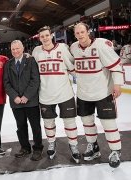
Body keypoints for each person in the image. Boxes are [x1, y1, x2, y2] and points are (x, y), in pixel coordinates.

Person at [70, 22, 124, 168]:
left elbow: (116, 65)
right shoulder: (74, 47)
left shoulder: (101, 45)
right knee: (87, 122)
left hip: (103, 92)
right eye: (77, 33)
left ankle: (115, 151)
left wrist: (117, 84)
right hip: (83, 93)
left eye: (82, 32)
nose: (80, 35)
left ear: (88, 32)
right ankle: (93, 147)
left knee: (108, 123)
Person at [32, 26, 81, 163]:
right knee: (48, 122)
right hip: (45, 95)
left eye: (47, 35)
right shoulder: (36, 52)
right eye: (42, 37)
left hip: (65, 93)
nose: (45, 38)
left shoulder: (62, 48)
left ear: (51, 35)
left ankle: (74, 146)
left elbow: (73, 69)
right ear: (39, 38)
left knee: (70, 122)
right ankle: (52, 143)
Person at [3, 40, 44, 161]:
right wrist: (14, 96)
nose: (15, 51)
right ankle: (25, 147)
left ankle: (37, 148)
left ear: (23, 48)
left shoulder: (31, 61)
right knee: (21, 126)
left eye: (17, 48)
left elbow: (35, 80)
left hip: (30, 101)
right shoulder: (8, 64)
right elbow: (6, 83)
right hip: (16, 102)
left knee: (35, 126)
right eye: (13, 49)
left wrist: (26, 96)